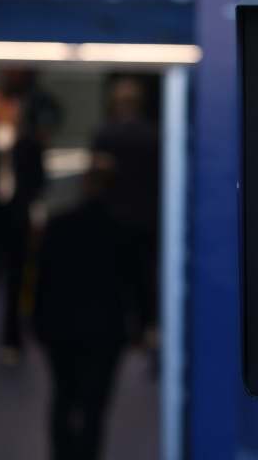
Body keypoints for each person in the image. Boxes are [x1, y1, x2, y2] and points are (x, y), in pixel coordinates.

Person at [34, 155, 139, 460]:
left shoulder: (59, 226)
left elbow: (42, 279)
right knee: (94, 406)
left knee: (63, 396)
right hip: (105, 329)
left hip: (61, 327)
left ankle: (62, 453)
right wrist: (143, 323)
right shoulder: (122, 230)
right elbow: (136, 283)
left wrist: (36, 320)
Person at [0, 68, 60, 363]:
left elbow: (39, 182)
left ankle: (12, 339)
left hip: (18, 218)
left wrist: (35, 213)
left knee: (16, 279)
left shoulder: (30, 144)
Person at [91, 76, 159, 339]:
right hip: (146, 217)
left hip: (114, 218)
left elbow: (98, 176)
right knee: (144, 276)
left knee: (116, 278)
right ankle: (146, 327)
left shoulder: (106, 134)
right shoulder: (153, 134)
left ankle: (119, 329)